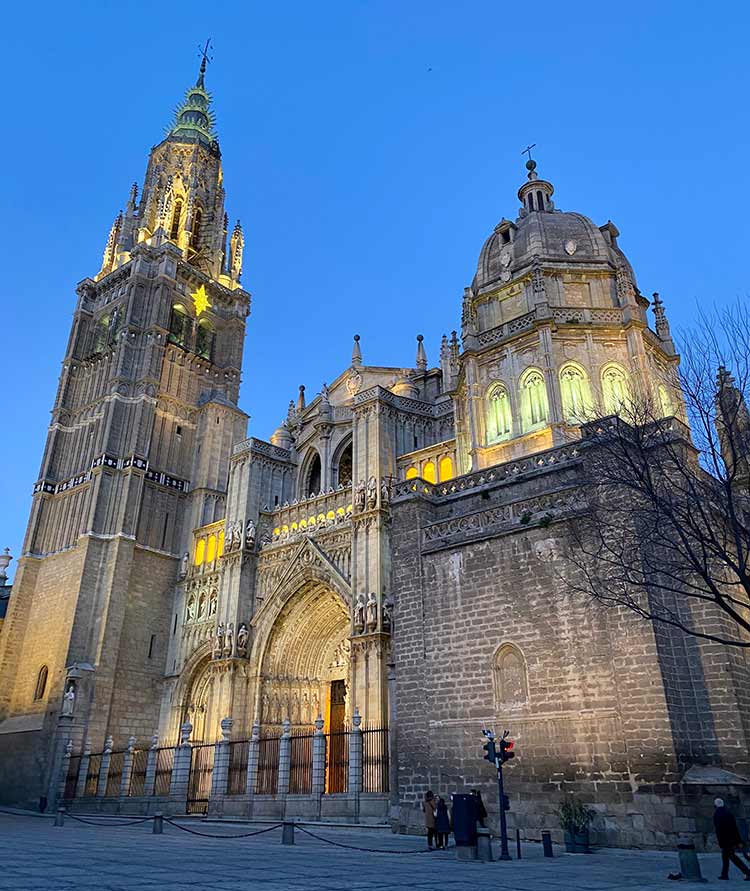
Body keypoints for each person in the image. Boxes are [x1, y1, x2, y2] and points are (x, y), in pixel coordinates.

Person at [714, 798, 750, 881]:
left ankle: (747, 872)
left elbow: (719, 829)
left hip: (725, 840)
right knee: (725, 857)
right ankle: (724, 874)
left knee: (732, 857)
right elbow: (734, 828)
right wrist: (738, 841)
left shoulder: (717, 814)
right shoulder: (728, 813)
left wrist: (721, 841)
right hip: (731, 839)